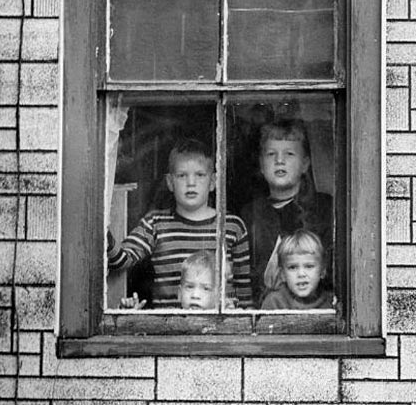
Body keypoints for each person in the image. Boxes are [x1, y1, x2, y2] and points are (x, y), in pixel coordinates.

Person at [107, 138, 252, 308]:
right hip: (169, 329)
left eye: (200, 175)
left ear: (213, 182)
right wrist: (105, 236)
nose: (191, 183)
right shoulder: (155, 223)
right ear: (170, 182)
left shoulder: (232, 226)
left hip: (219, 330)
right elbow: (121, 261)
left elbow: (244, 295)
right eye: (182, 175)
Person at [240, 118, 332, 305]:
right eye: (271, 154)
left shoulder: (323, 209)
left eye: (289, 154)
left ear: (305, 163)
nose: (279, 160)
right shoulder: (250, 214)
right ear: (261, 164)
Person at [262, 229, 333, 309]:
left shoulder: (332, 303)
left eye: (309, 266)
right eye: (293, 267)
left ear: (322, 271)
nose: (301, 274)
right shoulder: (274, 303)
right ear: (282, 274)